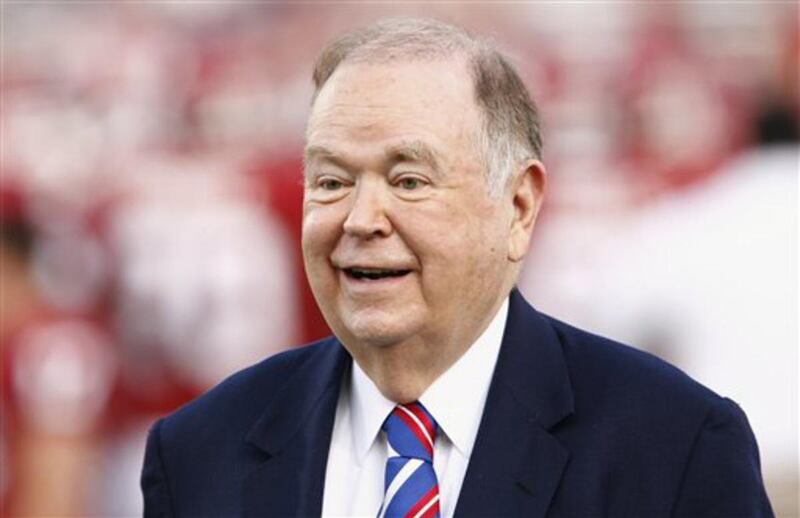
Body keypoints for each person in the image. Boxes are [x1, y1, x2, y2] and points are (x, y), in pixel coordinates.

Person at [141, 18, 773, 517]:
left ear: (519, 206)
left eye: (408, 179)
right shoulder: (202, 451)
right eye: (331, 181)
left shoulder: (673, 447)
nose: (362, 219)